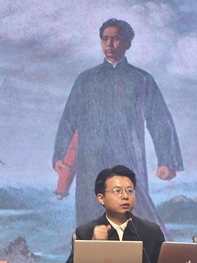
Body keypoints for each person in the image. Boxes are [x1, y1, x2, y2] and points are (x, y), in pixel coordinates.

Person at [53, 18, 183, 229]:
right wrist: (60, 156)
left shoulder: (142, 79)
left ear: (128, 43)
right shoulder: (85, 80)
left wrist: (166, 161)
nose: (109, 44)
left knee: (137, 223)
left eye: (115, 39)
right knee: (91, 224)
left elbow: (159, 119)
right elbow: (69, 120)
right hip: (90, 163)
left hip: (128, 158)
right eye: (105, 39)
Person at [63, 165, 165, 263]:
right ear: (101, 198)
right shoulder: (85, 232)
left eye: (130, 191)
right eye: (117, 191)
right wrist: (92, 246)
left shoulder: (151, 232)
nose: (125, 196)